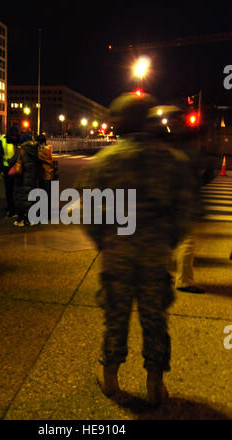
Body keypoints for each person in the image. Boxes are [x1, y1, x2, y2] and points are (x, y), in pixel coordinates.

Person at [77, 92, 198, 408]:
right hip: (155, 252)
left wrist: (104, 241)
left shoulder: (105, 161)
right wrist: (168, 240)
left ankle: (111, 380)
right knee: (155, 318)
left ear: (120, 122)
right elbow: (186, 211)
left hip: (117, 253)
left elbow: (87, 211)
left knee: (116, 317)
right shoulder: (172, 161)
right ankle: (155, 383)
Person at [147, 106, 214, 294]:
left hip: (166, 200)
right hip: (185, 200)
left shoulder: (162, 142)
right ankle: (183, 280)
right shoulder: (189, 143)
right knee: (187, 241)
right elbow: (206, 172)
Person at [8, 134, 39, 227]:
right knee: (31, 199)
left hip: (21, 179)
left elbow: (11, 162)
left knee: (21, 199)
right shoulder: (34, 151)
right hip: (32, 179)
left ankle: (21, 220)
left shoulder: (20, 151)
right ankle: (31, 219)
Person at [0, 126, 20, 217]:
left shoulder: (18, 141)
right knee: (9, 191)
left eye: (16, 136)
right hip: (7, 169)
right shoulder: (4, 141)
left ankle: (15, 208)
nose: (15, 138)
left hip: (16, 169)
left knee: (16, 191)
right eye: (13, 136)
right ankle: (11, 209)